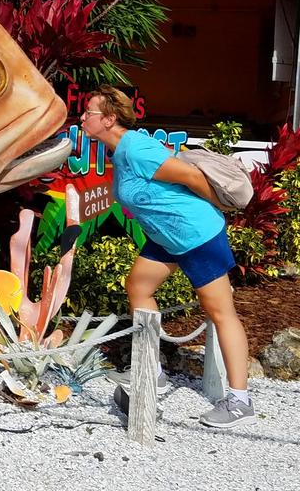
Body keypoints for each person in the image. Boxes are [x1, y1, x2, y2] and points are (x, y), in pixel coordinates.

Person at [80, 85, 255, 428]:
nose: (83, 117)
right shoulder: (120, 151)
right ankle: (153, 372)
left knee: (221, 313)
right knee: (139, 287)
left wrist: (218, 205)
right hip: (166, 237)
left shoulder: (137, 149)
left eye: (89, 112)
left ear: (109, 119)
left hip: (195, 235)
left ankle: (240, 401)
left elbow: (191, 176)